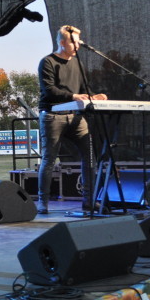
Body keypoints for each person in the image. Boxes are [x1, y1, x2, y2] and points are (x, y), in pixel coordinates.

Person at [37, 25, 107, 214]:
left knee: (89, 156)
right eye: (74, 42)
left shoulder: (78, 63)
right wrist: (73, 96)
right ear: (62, 42)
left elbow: (84, 90)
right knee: (49, 159)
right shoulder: (48, 62)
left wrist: (95, 96)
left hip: (76, 116)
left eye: (79, 42)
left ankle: (89, 201)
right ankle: (43, 202)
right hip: (52, 116)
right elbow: (49, 90)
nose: (77, 46)